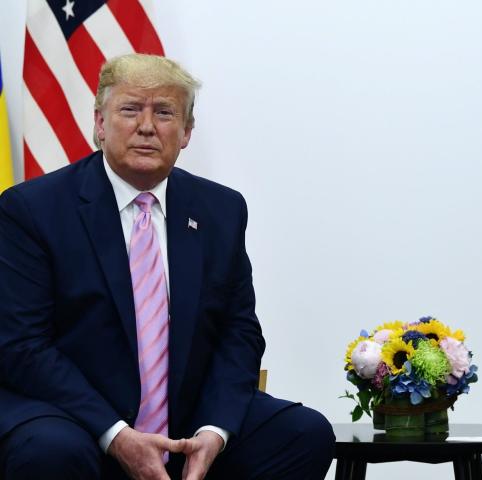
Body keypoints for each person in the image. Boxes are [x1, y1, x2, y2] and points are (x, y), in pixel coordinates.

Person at [0, 54, 334, 479]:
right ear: (100, 124)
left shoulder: (220, 210)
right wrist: (116, 433)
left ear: (187, 132)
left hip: (185, 416)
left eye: (163, 112)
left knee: (303, 433)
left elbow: (240, 334)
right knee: (50, 452)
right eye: (129, 110)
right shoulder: (32, 209)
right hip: (73, 416)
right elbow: (22, 346)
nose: (146, 126)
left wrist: (214, 431)